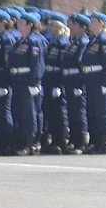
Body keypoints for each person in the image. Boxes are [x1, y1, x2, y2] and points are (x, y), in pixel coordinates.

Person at [8, 11, 46, 154]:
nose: (19, 24)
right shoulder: (20, 41)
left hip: (27, 80)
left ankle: (29, 143)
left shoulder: (33, 41)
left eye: (22, 23)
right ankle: (19, 141)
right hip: (17, 80)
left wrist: (34, 83)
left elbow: (37, 64)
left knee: (29, 113)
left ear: (30, 25)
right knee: (18, 111)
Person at [81, 12, 106, 153]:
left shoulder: (105, 41)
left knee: (103, 112)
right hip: (91, 79)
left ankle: (103, 142)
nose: (91, 24)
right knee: (93, 111)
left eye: (94, 21)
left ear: (102, 23)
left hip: (100, 80)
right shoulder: (92, 40)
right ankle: (95, 141)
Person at [41, 13, 69, 154]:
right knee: (50, 111)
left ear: (60, 26)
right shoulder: (52, 42)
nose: (49, 27)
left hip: (58, 80)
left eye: (52, 25)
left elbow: (63, 66)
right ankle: (53, 140)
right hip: (49, 79)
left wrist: (60, 85)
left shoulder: (63, 43)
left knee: (60, 113)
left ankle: (61, 140)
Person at [61, 14, 89, 154]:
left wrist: (79, 83)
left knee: (79, 112)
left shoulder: (84, 42)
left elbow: (81, 64)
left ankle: (81, 142)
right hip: (69, 79)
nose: (70, 27)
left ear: (82, 27)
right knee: (71, 111)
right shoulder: (73, 41)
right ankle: (73, 139)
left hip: (77, 80)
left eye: (74, 24)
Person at [0, 9, 14, 155]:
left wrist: (6, 84)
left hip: (2, 80)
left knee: (4, 112)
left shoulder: (7, 39)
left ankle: (6, 142)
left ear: (2, 22)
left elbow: (8, 63)